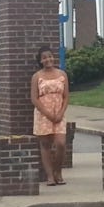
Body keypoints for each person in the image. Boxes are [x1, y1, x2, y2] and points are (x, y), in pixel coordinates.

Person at [30, 45, 69, 186]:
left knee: (61, 143)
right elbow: (34, 98)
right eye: (44, 58)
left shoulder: (62, 75)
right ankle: (50, 176)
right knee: (45, 145)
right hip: (43, 115)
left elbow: (66, 97)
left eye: (50, 56)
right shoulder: (37, 77)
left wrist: (60, 113)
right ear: (40, 61)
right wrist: (47, 114)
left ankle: (58, 171)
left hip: (59, 114)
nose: (48, 59)